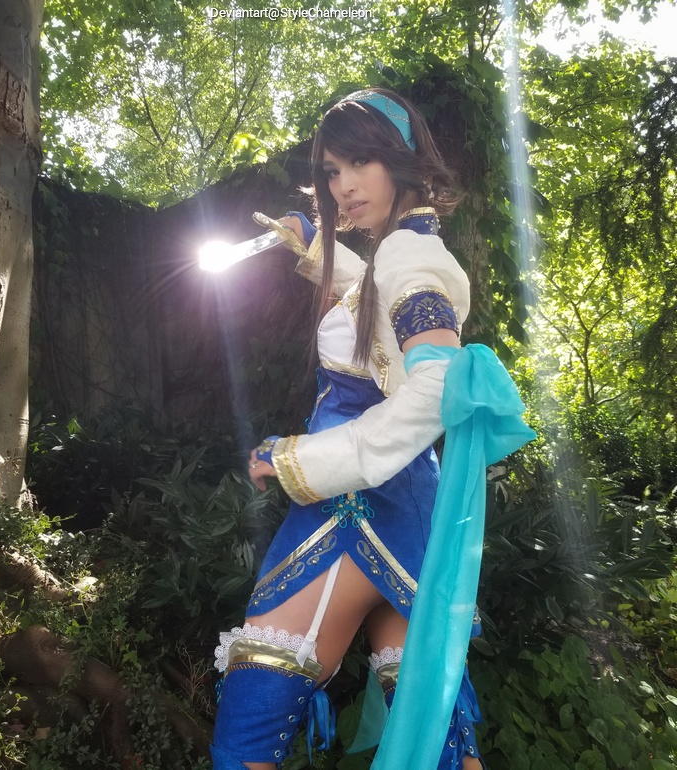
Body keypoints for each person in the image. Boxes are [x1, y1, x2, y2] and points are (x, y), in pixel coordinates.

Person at [210, 88, 534, 770]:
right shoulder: (404, 252)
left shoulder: (408, 260)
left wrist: (305, 460)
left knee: (247, 732)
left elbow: (437, 386)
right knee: (435, 729)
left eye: (359, 162)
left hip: (357, 507)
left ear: (401, 160)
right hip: (405, 504)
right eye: (330, 171)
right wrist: (314, 247)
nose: (343, 185)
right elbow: (376, 312)